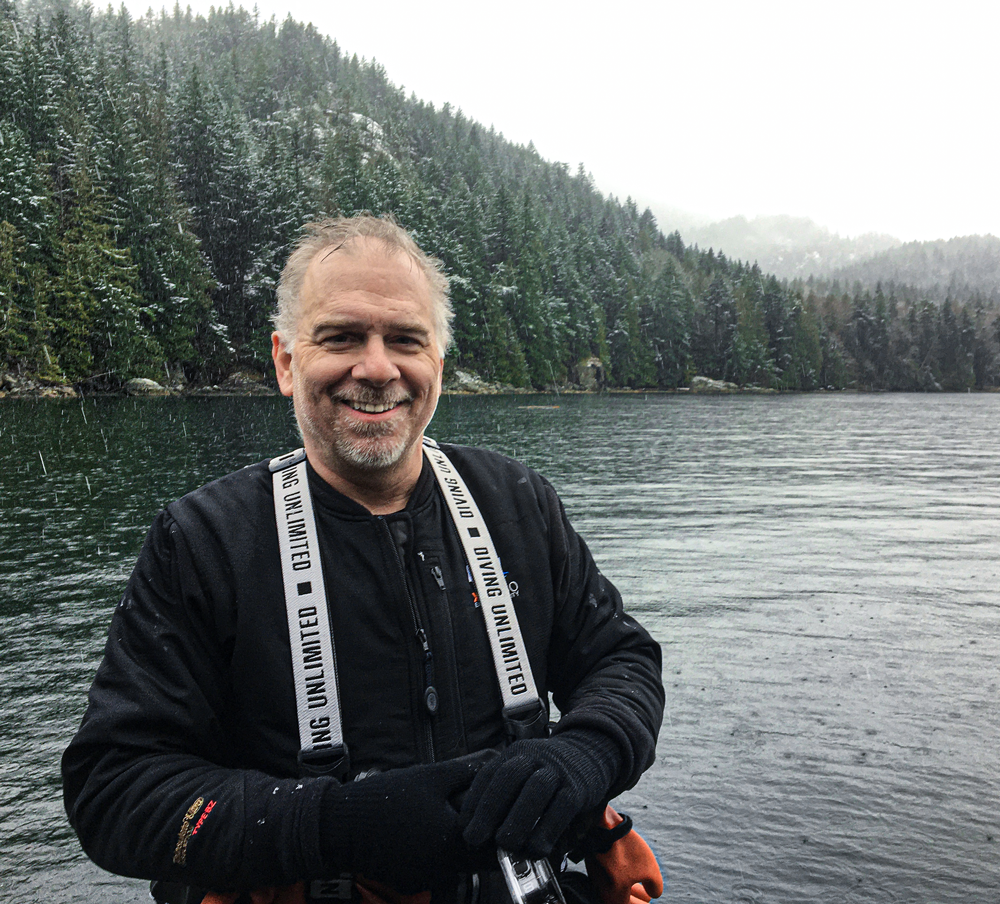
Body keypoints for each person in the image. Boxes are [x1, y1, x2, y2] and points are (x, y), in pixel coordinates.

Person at [62, 215, 664, 904]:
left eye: (405, 340)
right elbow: (114, 790)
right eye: (341, 337)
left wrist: (586, 753)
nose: (377, 368)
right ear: (286, 361)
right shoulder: (203, 540)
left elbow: (623, 660)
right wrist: (330, 825)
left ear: (436, 364)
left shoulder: (516, 501)